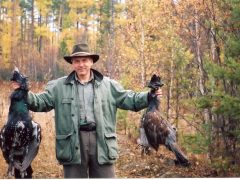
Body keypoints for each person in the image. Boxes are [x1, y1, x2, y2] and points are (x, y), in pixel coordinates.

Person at [14, 43, 162, 178]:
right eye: (77, 61)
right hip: (72, 142)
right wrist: (23, 91)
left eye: (85, 60)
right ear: (72, 63)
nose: (81, 64)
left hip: (102, 142)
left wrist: (150, 96)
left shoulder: (108, 85)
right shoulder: (58, 86)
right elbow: (40, 102)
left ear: (91, 62)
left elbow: (129, 99)